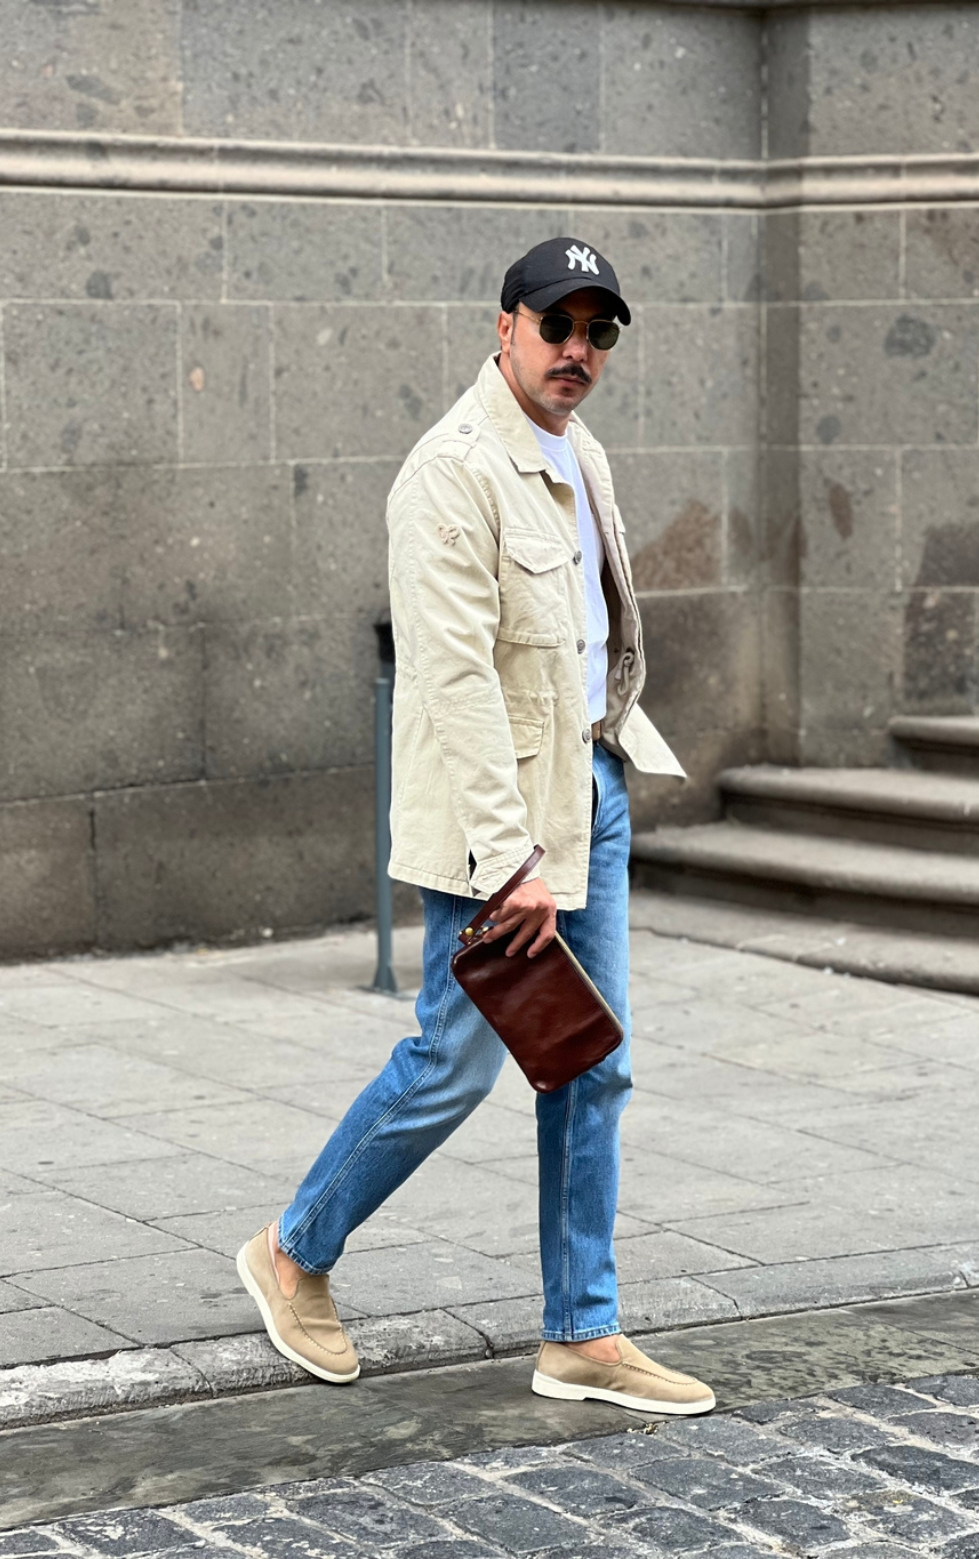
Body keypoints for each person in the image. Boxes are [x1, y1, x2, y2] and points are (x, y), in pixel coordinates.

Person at [237, 237, 716, 1417]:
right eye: (557, 325)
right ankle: (293, 1249)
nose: (577, 350)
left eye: (598, 332)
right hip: (491, 826)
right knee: (457, 1056)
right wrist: (511, 861)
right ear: (503, 327)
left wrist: (607, 754)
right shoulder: (448, 473)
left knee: (591, 1060)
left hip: (586, 791)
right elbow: (452, 684)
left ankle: (581, 1332)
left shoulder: (580, 453)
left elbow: (590, 634)